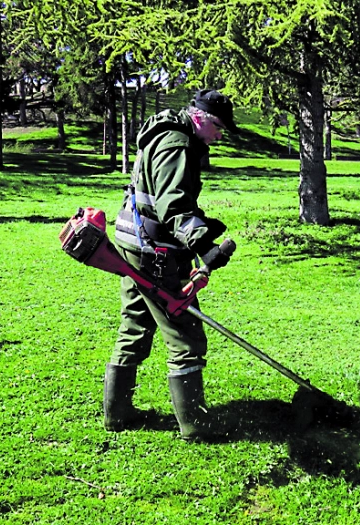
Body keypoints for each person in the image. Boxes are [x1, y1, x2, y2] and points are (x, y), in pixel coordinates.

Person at [103, 89, 239, 440]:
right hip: (154, 251)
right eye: (218, 127)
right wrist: (204, 246)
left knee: (135, 325)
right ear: (200, 117)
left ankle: (117, 415)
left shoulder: (167, 134)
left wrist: (202, 224)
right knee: (185, 335)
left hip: (133, 241)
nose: (219, 136)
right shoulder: (177, 144)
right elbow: (173, 205)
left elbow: (160, 198)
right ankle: (195, 426)